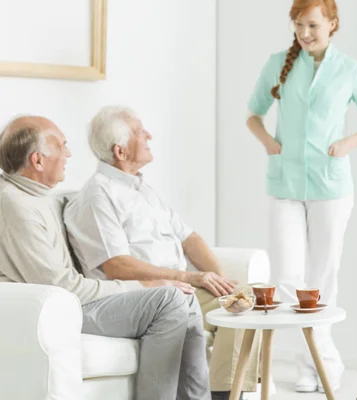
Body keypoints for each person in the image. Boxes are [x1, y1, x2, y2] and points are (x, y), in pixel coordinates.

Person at [0, 115, 210, 400]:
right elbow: (61, 286)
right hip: (56, 311)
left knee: (180, 295)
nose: (69, 154)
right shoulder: (15, 205)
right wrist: (141, 286)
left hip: (73, 302)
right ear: (38, 161)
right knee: (169, 298)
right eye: (62, 147)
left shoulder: (38, 197)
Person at [63, 106, 258, 400]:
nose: (149, 136)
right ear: (120, 150)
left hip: (182, 286)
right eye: (141, 133)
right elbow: (117, 265)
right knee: (196, 301)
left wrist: (221, 282)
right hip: (144, 295)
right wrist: (185, 276)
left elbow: (189, 238)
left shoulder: (142, 189)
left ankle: (229, 394)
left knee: (244, 298)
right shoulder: (98, 195)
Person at [246, 0, 357, 393]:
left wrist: (347, 143)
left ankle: (311, 368)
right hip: (284, 185)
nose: (304, 33)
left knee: (323, 280)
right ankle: (328, 361)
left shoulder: (349, 70)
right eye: (298, 25)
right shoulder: (278, 62)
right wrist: (269, 144)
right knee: (288, 278)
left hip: (331, 186)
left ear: (332, 24)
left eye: (312, 25)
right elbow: (253, 113)